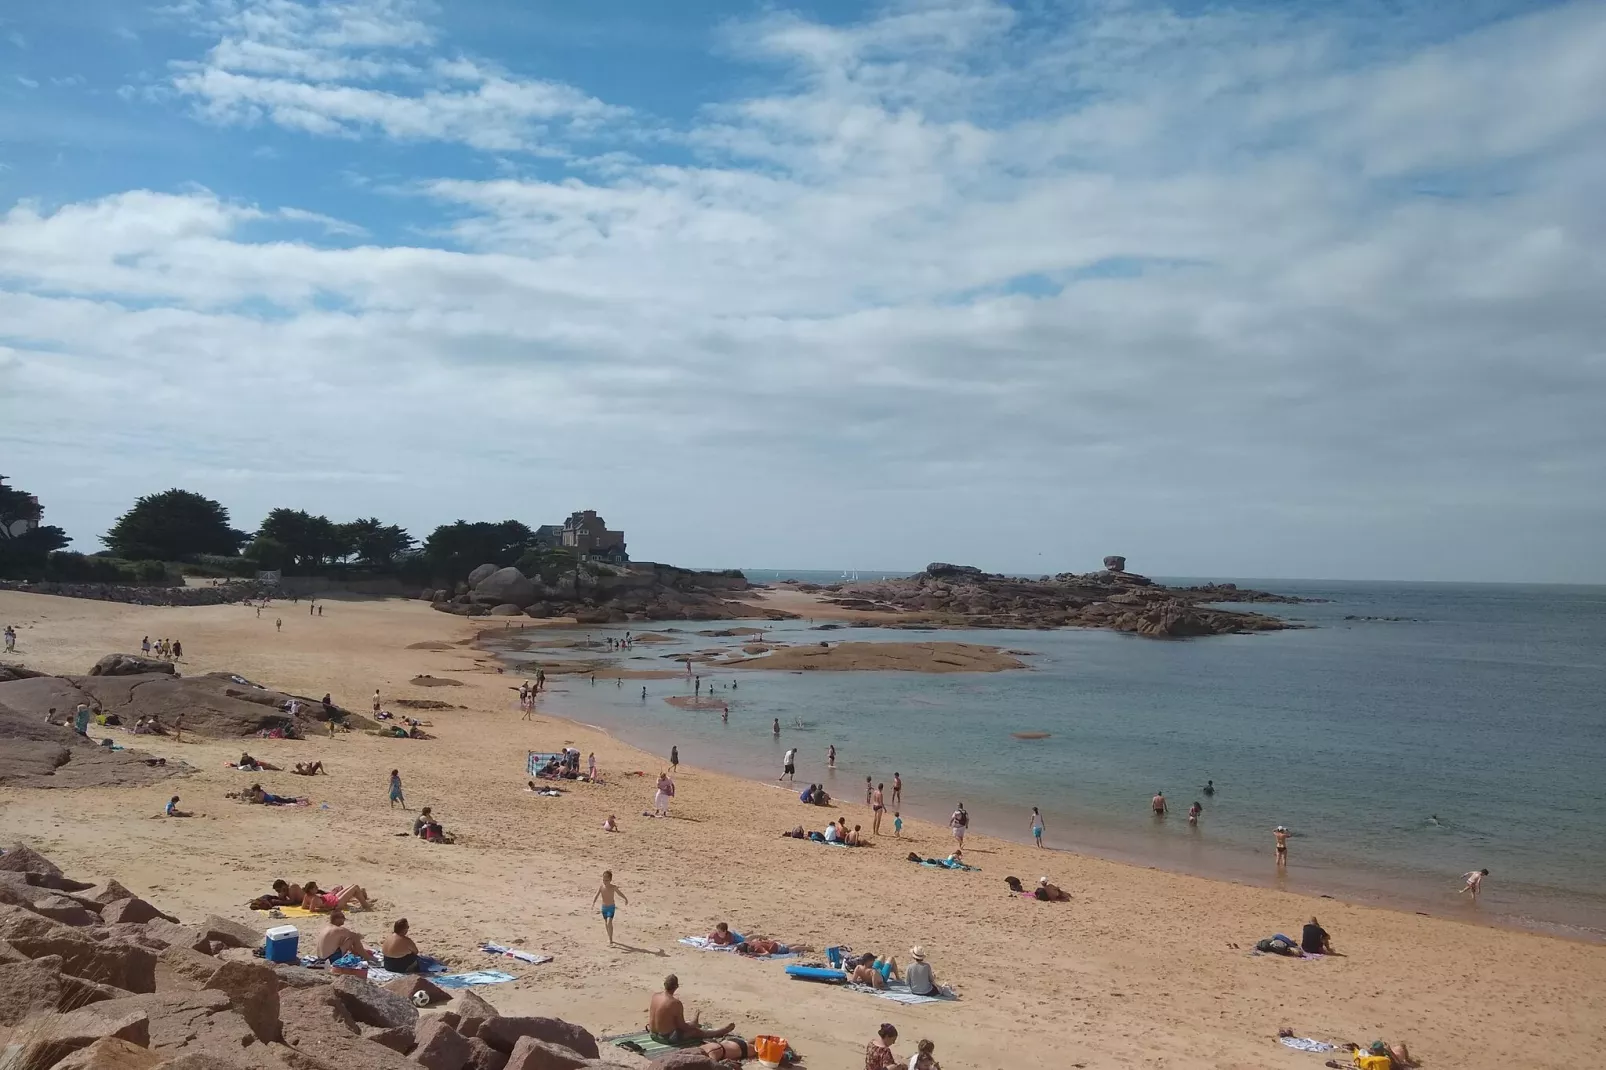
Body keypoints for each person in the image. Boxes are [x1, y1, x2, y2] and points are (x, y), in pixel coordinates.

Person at [649, 974, 732, 1044]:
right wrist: (693, 1027)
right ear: (676, 986)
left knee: (683, 1023)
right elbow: (682, 1027)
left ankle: (693, 1022)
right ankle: (719, 1032)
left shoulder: (655, 996)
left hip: (652, 1034)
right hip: (665, 1038)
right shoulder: (675, 1003)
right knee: (695, 1032)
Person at [594, 870, 628, 945]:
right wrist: (593, 902)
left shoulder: (613, 887)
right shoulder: (601, 887)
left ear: (610, 880)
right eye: (603, 880)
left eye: (606, 880)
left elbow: (619, 893)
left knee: (609, 922)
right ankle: (609, 937)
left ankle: (610, 939)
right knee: (606, 923)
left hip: (611, 907)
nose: (605, 881)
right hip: (604, 907)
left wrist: (625, 898)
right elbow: (596, 895)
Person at [303, 880, 372, 913]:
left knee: (353, 886)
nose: (317, 888)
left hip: (334, 898)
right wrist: (323, 909)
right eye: (315, 888)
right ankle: (366, 906)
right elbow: (311, 910)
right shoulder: (314, 898)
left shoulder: (307, 896)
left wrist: (315, 906)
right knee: (355, 887)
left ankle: (362, 899)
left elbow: (303, 907)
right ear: (310, 890)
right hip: (337, 903)